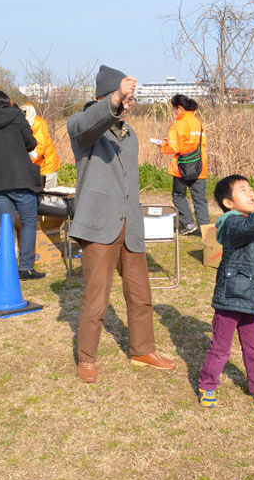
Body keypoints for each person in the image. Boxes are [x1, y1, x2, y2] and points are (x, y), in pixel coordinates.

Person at [67, 65, 177, 384]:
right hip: (99, 225)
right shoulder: (82, 127)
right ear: (106, 97)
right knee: (96, 297)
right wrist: (115, 100)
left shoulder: (130, 136)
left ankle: (143, 349)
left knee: (140, 294)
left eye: (130, 98)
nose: (129, 104)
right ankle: (86, 358)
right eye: (124, 98)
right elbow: (89, 124)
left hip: (130, 225)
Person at [196, 175, 254, 408]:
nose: (250, 193)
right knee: (220, 348)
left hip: (250, 297)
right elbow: (248, 228)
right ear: (228, 203)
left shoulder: (250, 223)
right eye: (243, 190)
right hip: (230, 298)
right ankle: (207, 384)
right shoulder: (230, 222)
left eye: (251, 188)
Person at [0, 89, 45, 280]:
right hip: (22, 178)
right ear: (6, 102)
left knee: (5, 225)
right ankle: (25, 268)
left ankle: (6, 266)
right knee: (29, 223)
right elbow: (31, 143)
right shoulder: (16, 115)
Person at [158, 94, 209, 235]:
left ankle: (188, 223)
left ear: (179, 108)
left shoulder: (179, 124)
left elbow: (175, 148)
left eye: (174, 109)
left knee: (178, 195)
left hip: (183, 167)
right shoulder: (198, 122)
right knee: (200, 200)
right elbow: (193, 144)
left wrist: (163, 145)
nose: (174, 112)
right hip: (200, 166)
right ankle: (205, 231)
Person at [21, 103, 61, 189]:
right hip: (35, 168)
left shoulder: (38, 123)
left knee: (47, 198)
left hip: (47, 167)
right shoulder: (22, 123)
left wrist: (24, 163)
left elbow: (39, 148)